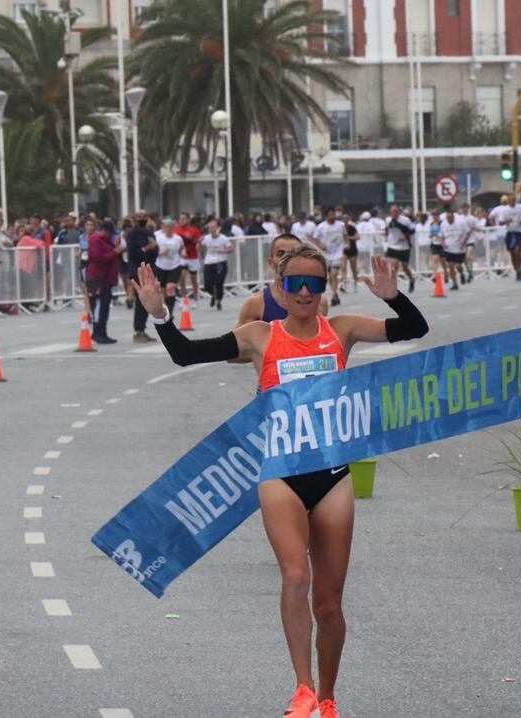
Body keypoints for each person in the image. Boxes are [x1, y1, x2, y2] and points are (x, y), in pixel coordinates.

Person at [134, 247, 427, 718]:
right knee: (295, 576)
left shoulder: (343, 330)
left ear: (326, 286)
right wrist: (161, 315)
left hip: (331, 475)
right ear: (280, 287)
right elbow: (187, 354)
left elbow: (415, 329)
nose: (306, 293)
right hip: (279, 473)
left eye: (315, 283)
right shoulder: (259, 337)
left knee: (329, 605)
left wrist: (395, 298)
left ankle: (328, 699)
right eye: (296, 284)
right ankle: (303, 689)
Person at [87, 220, 123, 343]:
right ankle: (97, 332)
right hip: (97, 278)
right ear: (105, 231)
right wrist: (115, 252)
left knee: (105, 307)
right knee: (98, 306)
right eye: (110, 233)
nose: (111, 236)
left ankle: (102, 332)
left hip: (106, 278)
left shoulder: (106, 240)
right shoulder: (95, 240)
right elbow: (98, 257)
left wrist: (115, 247)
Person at [125, 211, 158, 342]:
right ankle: (138, 330)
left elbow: (155, 251)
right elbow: (132, 254)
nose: (142, 219)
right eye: (139, 217)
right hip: (137, 270)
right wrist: (146, 249)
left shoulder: (150, 233)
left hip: (149, 270)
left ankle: (142, 328)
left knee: (146, 302)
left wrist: (154, 248)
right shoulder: (131, 234)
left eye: (144, 217)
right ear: (134, 219)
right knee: (141, 301)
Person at [311, 210, 347, 306]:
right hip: (326, 254)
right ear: (326, 216)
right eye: (330, 214)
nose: (333, 216)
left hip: (338, 253)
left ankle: (334, 296)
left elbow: (345, 235)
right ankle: (335, 293)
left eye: (333, 214)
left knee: (334, 274)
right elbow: (315, 239)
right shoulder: (321, 227)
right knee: (330, 276)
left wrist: (347, 244)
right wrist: (320, 245)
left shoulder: (341, 225)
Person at [153, 218, 185, 317]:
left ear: (173, 228)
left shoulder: (178, 238)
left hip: (174, 265)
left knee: (170, 288)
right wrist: (160, 253)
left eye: (170, 227)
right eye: (166, 227)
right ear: (163, 227)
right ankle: (165, 309)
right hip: (161, 266)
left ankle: (170, 312)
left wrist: (183, 252)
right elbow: (153, 252)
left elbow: (182, 248)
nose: (168, 229)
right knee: (163, 291)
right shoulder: (159, 238)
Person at [200, 219, 233, 311]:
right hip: (209, 262)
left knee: (219, 283)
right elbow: (200, 248)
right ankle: (213, 295)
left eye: (213, 227)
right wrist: (199, 244)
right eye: (210, 228)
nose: (211, 229)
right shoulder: (206, 238)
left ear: (218, 228)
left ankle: (219, 301)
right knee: (207, 284)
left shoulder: (223, 238)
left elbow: (231, 249)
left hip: (220, 262)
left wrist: (223, 251)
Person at [384, 204, 416, 292]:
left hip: (404, 247)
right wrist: (385, 235)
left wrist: (405, 236)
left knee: (405, 267)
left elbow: (413, 230)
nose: (393, 214)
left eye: (395, 212)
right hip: (393, 246)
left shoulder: (405, 220)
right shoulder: (388, 220)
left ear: (398, 212)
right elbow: (387, 229)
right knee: (394, 266)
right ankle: (393, 287)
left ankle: (411, 279)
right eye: (392, 212)